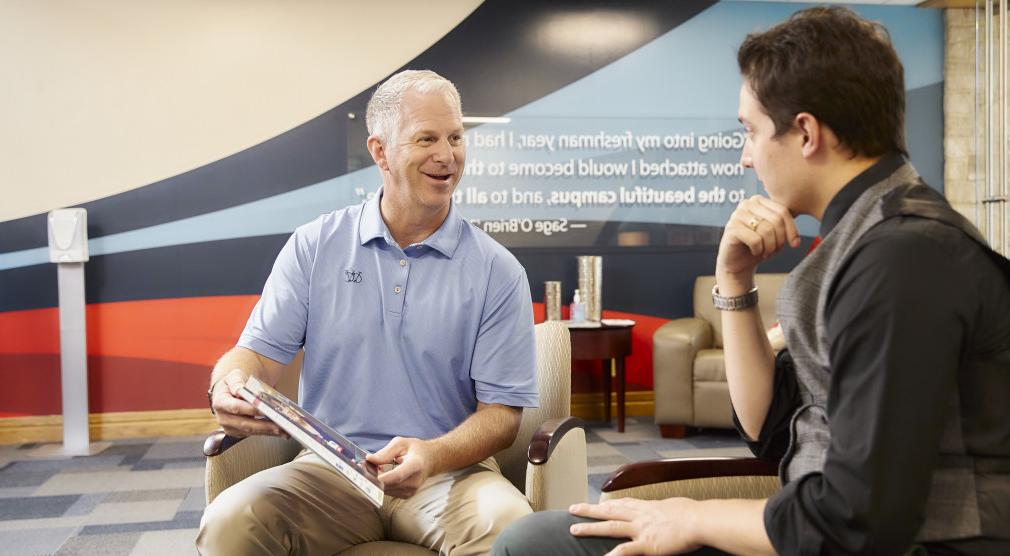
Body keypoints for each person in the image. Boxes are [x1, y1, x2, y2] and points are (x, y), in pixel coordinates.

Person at [493, 7, 1010, 555]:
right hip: (817, 527)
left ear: (807, 133)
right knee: (535, 538)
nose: (746, 156)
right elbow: (770, 429)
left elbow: (858, 518)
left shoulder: (902, 258)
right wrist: (734, 282)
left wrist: (695, 518)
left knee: (534, 545)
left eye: (751, 131)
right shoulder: (865, 243)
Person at [197, 69, 540, 555]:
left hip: (449, 476)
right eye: (426, 139)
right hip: (330, 472)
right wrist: (226, 385)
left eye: (456, 138)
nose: (447, 156)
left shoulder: (497, 270)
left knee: (512, 529)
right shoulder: (315, 246)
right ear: (380, 151)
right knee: (231, 521)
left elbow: (503, 417)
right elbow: (254, 355)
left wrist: (434, 454)